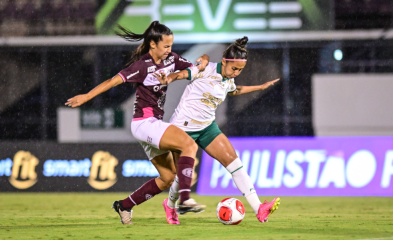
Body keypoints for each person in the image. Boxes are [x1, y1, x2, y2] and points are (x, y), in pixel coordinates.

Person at [65, 21, 209, 225]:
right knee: (189, 145)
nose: (170, 50)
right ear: (152, 44)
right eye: (166, 46)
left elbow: (196, 67)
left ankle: (124, 206)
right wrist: (87, 97)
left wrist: (204, 58)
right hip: (144, 123)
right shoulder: (142, 66)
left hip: (153, 124)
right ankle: (184, 200)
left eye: (171, 45)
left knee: (167, 178)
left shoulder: (172, 59)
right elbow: (112, 81)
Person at [154, 36, 280, 224]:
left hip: (207, 128)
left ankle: (259, 208)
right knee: (183, 177)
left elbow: (235, 90)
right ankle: (170, 205)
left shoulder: (228, 79)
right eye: (234, 68)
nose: (236, 72)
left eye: (240, 70)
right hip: (183, 128)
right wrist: (168, 78)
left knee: (235, 164)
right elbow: (181, 75)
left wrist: (260, 87)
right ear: (224, 61)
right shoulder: (205, 69)